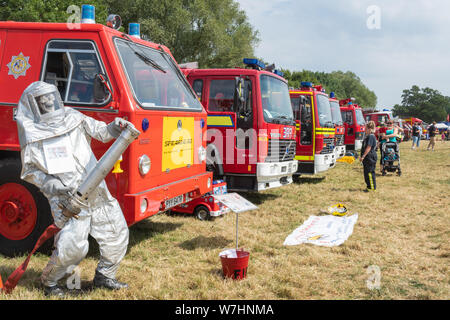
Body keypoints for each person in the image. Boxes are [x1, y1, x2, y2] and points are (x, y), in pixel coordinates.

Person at [16, 81, 131, 297]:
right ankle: (50, 283)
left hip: (96, 189)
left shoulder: (72, 116)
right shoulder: (32, 134)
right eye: (43, 102)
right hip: (65, 198)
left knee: (116, 231)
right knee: (73, 246)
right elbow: (29, 171)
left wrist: (114, 128)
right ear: (32, 105)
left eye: (51, 99)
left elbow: (101, 132)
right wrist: (53, 185)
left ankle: (105, 276)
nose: (49, 104)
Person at [360, 121, 378, 192]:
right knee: (366, 173)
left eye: (366, 128)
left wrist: (363, 156)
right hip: (367, 157)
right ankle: (368, 187)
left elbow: (369, 147)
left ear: (370, 129)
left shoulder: (371, 136)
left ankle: (372, 188)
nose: (365, 130)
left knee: (370, 173)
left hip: (370, 157)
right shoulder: (368, 136)